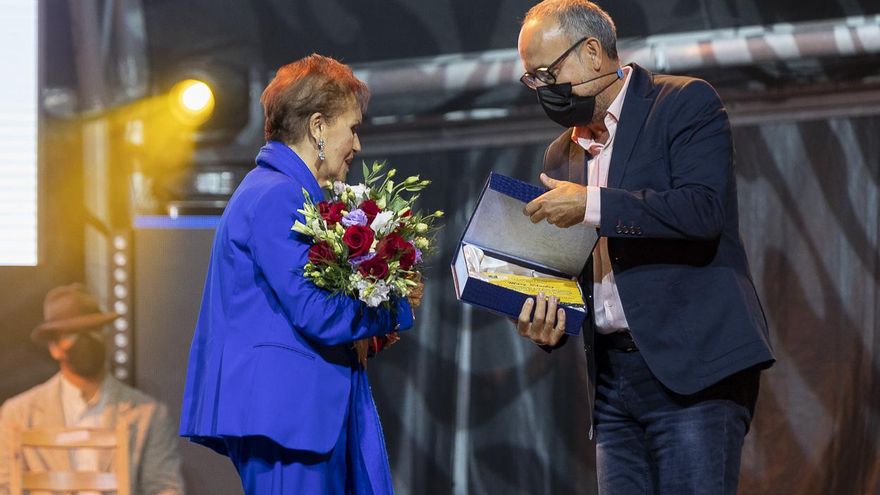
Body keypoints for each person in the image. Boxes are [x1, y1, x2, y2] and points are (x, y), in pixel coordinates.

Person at [513, 1, 776, 493]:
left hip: (694, 372)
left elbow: (702, 211)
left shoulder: (682, 103)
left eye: (549, 73)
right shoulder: (561, 153)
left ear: (593, 53)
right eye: (533, 79)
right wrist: (547, 319)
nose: (544, 90)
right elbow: (572, 267)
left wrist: (592, 203)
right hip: (614, 384)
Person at [179, 54, 420, 495]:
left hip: (298, 417)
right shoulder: (277, 194)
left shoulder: (284, 192)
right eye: (353, 128)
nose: (357, 145)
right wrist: (392, 308)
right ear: (318, 127)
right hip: (287, 420)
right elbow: (315, 312)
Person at [0, 283, 184, 495]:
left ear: (106, 336)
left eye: (93, 330)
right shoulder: (19, 414)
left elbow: (165, 488)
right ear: (54, 347)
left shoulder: (147, 414)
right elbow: (5, 486)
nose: (85, 341)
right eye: (72, 333)